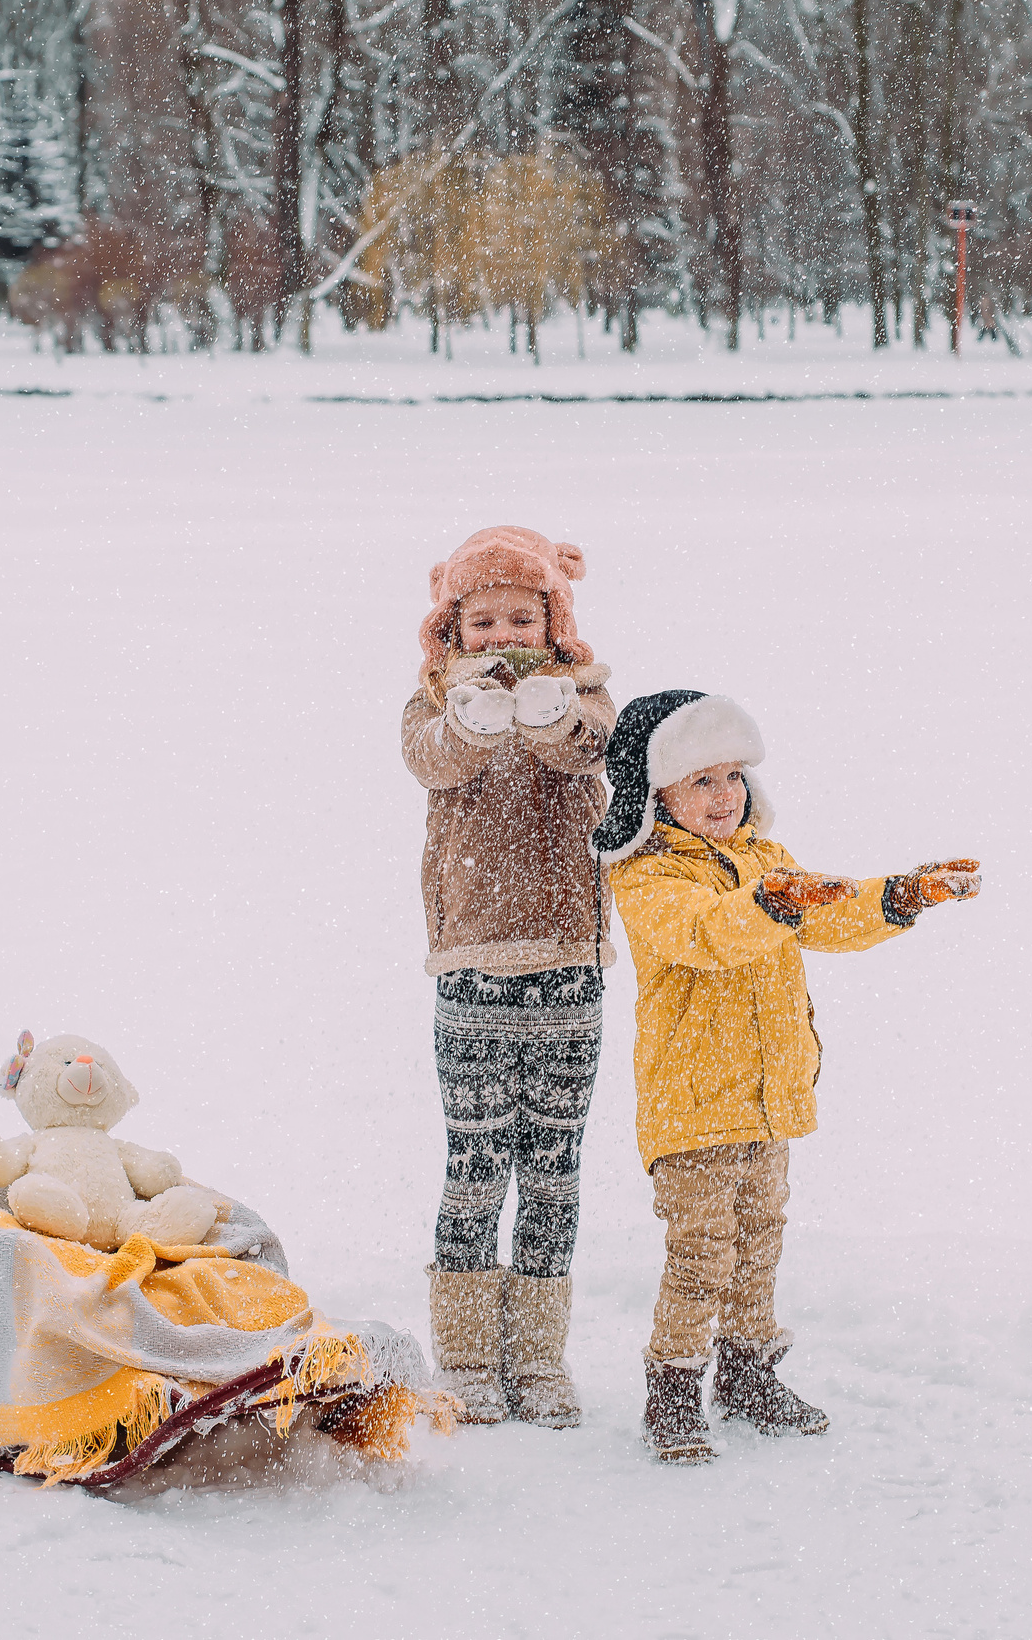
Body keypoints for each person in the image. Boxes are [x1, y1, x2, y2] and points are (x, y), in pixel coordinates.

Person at [593, 690, 982, 1463]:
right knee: (702, 1252)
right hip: (694, 1100)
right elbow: (706, 934)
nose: (724, 795)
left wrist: (902, 895)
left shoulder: (767, 861)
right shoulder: (648, 876)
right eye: (701, 780)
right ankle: (672, 1390)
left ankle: (746, 1374)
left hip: (770, 1098)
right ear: (655, 790)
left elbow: (830, 915)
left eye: (732, 775)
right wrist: (766, 904)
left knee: (758, 1243)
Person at [400, 526, 618, 1428]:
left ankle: (538, 1353)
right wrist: (473, 715)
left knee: (555, 1169)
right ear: (453, 624)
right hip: (472, 965)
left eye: (519, 615)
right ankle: (466, 1356)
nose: (500, 633)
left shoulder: (588, 692)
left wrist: (546, 706)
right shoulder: (429, 702)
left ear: (551, 616)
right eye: (481, 618)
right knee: (477, 1163)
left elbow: (589, 750)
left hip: (569, 961)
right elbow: (432, 761)